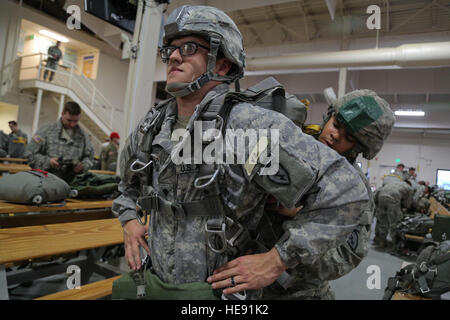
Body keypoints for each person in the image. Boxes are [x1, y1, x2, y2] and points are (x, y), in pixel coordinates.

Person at [112, 5, 369, 300]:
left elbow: (347, 192)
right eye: (170, 48)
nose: (173, 56)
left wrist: (277, 260)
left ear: (222, 65)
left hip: (220, 295)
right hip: (157, 285)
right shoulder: (153, 125)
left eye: (190, 47)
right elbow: (126, 186)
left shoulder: (248, 127)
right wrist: (130, 219)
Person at [262, 89, 395, 299]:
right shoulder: (290, 143)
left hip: (293, 291)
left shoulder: (352, 190)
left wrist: (301, 223)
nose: (335, 135)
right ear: (329, 115)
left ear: (359, 147)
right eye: (336, 125)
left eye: (348, 137)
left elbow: (345, 256)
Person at [24, 101, 94, 183]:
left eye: (76, 121)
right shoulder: (46, 130)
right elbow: (29, 155)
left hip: (73, 183)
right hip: (47, 181)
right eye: (69, 120)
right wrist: (48, 162)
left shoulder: (83, 136)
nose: (72, 124)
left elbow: (89, 158)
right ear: (62, 114)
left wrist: (82, 166)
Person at [373, 176, 414, 252]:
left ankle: (382, 241)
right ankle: (395, 244)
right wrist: (405, 208)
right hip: (393, 197)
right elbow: (408, 203)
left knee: (383, 221)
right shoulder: (410, 188)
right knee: (394, 222)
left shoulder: (394, 182)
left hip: (381, 195)